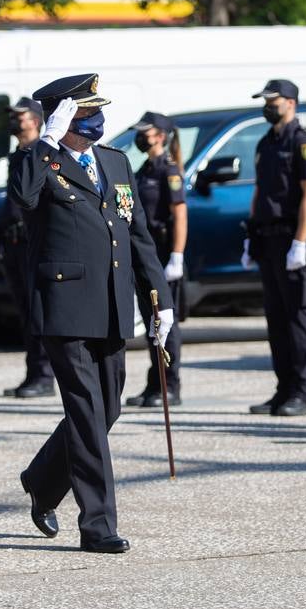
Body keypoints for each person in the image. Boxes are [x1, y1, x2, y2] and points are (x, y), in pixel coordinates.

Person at [12, 74, 172, 554]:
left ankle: (41, 479)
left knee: (109, 408)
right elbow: (23, 197)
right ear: (63, 115)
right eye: (83, 112)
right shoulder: (38, 162)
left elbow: (138, 236)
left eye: (96, 109)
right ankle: (98, 525)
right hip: (65, 307)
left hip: (112, 304)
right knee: (85, 413)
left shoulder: (116, 162)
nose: (95, 119)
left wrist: (159, 299)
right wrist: (45, 139)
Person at [243, 79, 306, 417]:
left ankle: (301, 393)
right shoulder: (266, 143)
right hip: (268, 238)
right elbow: (260, 191)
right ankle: (283, 389)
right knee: (276, 319)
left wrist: (301, 242)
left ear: (290, 102)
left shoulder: (304, 143)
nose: (267, 106)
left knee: (298, 319)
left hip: (293, 237)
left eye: (272, 100)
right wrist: (251, 234)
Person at [126, 111, 188, 408]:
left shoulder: (169, 171)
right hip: (145, 253)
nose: (141, 137)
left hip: (163, 252)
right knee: (152, 321)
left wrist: (177, 255)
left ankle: (170, 383)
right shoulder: (144, 170)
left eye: (146, 132)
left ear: (160, 136)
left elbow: (179, 215)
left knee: (165, 321)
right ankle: (156, 382)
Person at [0, 96, 54, 398]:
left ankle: (44, 375)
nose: (15, 122)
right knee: (25, 312)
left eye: (19, 117)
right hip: (14, 242)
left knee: (37, 312)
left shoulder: (39, 155)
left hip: (32, 242)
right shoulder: (18, 154)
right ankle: (33, 372)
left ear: (34, 120)